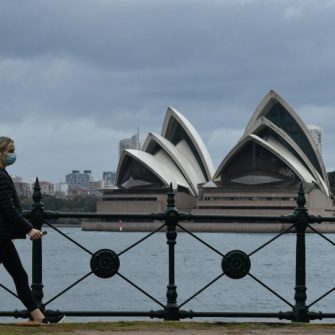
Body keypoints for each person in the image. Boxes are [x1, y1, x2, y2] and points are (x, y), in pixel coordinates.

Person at [0, 136, 64, 324]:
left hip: (2, 236)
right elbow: (8, 208)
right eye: (10, 151)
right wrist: (29, 229)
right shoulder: (1, 177)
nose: (13, 155)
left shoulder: (3, 175)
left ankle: (38, 317)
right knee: (20, 275)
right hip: (0, 236)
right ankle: (38, 316)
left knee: (20, 276)